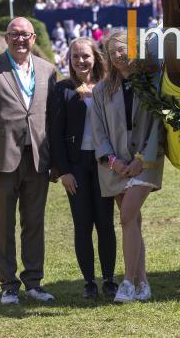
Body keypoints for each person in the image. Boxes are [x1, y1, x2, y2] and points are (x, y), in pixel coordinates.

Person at [0, 17, 58, 305]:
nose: (20, 40)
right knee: (3, 225)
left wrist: (56, 161)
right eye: (14, 35)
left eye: (25, 35)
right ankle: (8, 285)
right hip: (0, 162)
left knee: (34, 223)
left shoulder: (47, 70)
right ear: (7, 38)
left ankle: (34, 282)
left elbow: (53, 120)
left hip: (37, 160)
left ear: (34, 38)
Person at [92, 31, 165, 303]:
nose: (118, 56)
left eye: (122, 49)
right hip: (115, 166)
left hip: (146, 162)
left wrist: (141, 159)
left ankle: (126, 282)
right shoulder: (101, 90)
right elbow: (98, 131)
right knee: (132, 222)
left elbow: (158, 124)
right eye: (112, 52)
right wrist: (113, 161)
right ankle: (143, 283)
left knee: (125, 218)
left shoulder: (150, 84)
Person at [49, 38, 117, 300]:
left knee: (105, 224)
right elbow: (55, 133)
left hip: (102, 163)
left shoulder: (106, 86)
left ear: (95, 57)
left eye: (85, 56)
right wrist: (63, 171)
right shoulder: (62, 89)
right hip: (75, 167)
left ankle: (109, 279)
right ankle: (89, 281)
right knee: (82, 225)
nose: (81, 61)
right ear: (69, 60)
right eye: (76, 56)